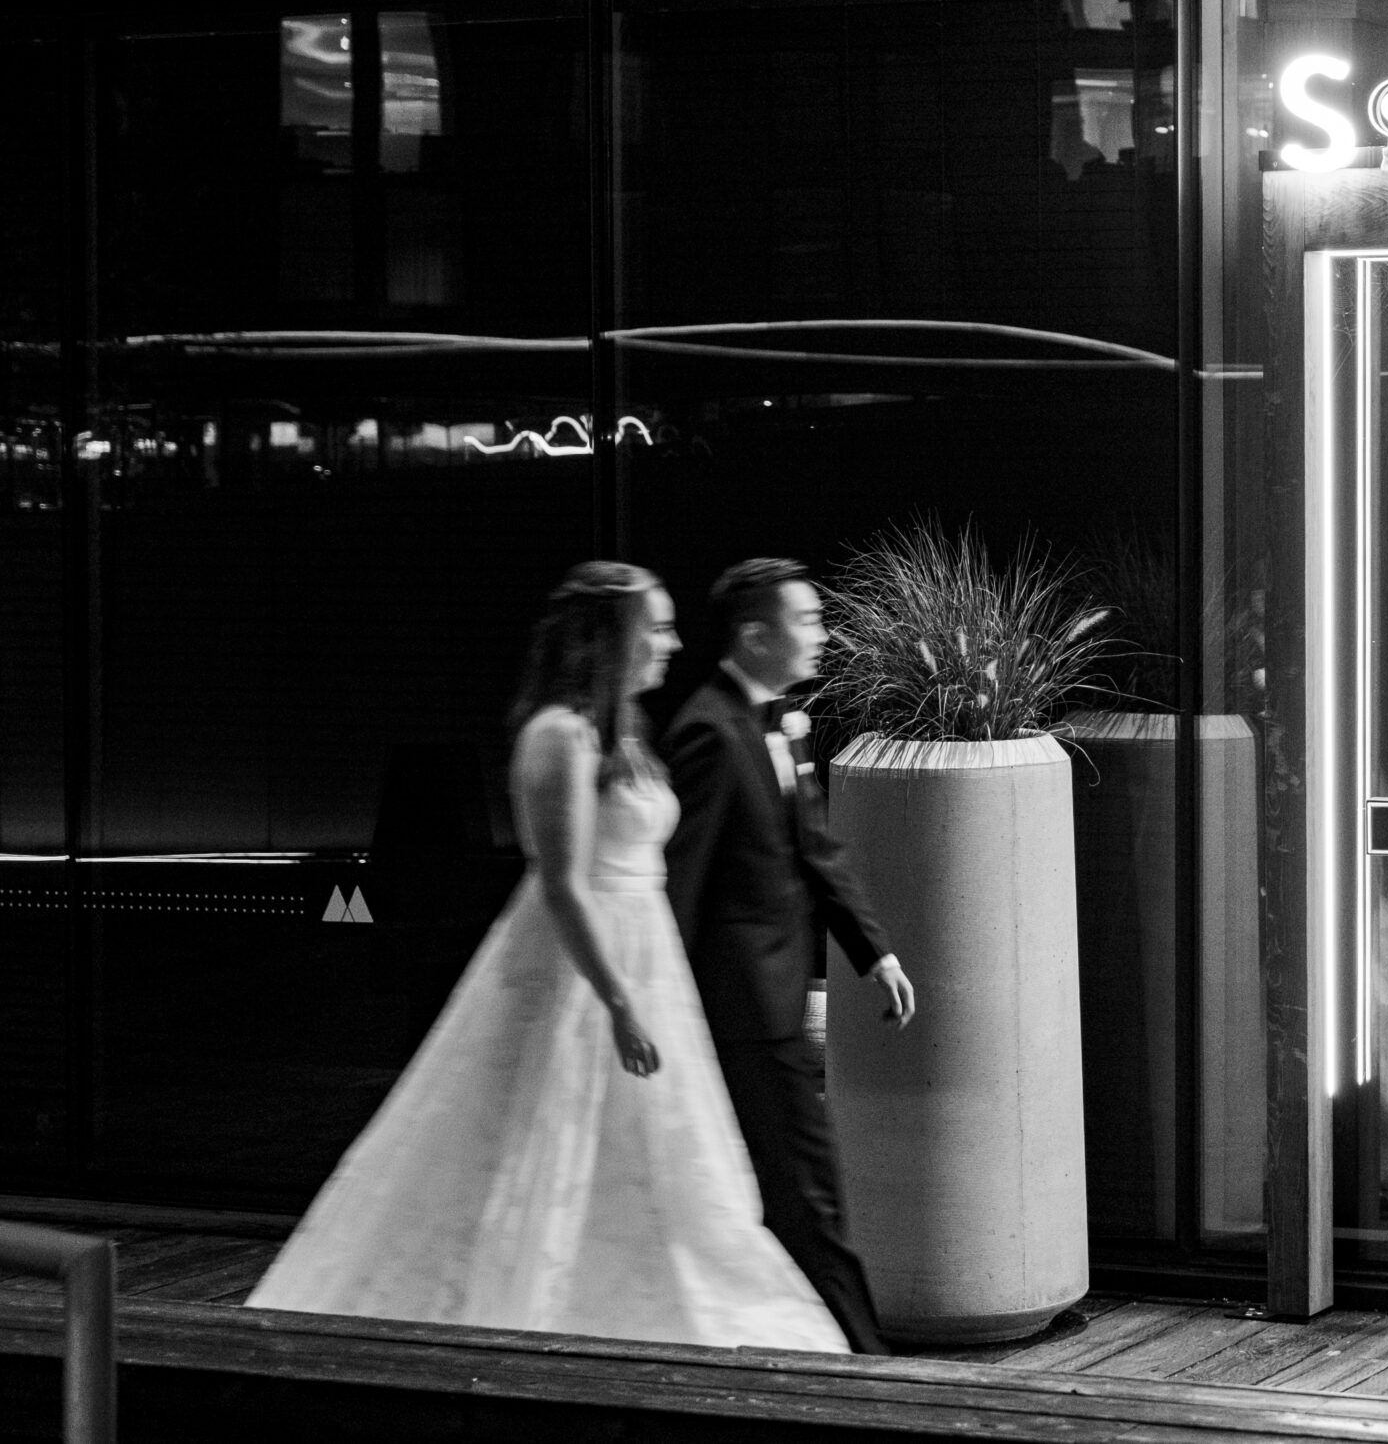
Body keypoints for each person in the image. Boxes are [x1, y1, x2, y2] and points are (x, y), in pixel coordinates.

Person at [247, 562, 850, 1354]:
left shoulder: (620, 732)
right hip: (587, 970)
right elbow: (564, 886)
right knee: (543, 1131)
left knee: (654, 1148)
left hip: (647, 956)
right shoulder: (558, 735)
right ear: (611, 637)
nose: (670, 644)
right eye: (656, 627)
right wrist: (620, 1002)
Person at [662, 557, 918, 1358]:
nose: (821, 634)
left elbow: (817, 852)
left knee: (790, 1192)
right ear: (754, 634)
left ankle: (799, 1348)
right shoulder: (707, 730)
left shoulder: (779, 721)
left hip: (771, 1003)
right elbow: (681, 886)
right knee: (808, 1193)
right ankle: (866, 1362)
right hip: (745, 1008)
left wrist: (874, 953)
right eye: (804, 621)